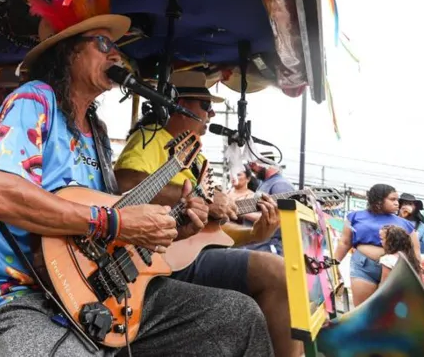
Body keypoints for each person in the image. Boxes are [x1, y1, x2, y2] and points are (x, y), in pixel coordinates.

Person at [0, 0, 273, 357]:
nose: (116, 56)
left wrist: (177, 226)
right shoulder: (34, 100)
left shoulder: (96, 130)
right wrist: (114, 223)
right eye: (102, 44)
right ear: (67, 53)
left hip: (99, 293)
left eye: (115, 48)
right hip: (20, 297)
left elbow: (115, 227)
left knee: (237, 316)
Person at [115, 70, 296, 357]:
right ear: (180, 104)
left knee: (279, 270)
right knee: (274, 272)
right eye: (205, 105)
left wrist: (252, 234)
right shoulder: (149, 139)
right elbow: (124, 183)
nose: (211, 113)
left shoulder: (198, 157)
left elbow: (207, 233)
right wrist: (202, 198)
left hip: (188, 255)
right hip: (156, 258)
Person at [333, 183, 420, 306]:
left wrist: (416, 277)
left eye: (397, 200)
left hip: (394, 271)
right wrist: (333, 265)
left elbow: (415, 252)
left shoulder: (406, 224)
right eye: (392, 199)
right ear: (378, 200)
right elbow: (345, 242)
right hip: (363, 268)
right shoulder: (354, 217)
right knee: (364, 310)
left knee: (385, 313)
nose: (397, 203)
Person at [245, 153, 295, 256]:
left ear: (265, 163)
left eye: (253, 163)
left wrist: (243, 213)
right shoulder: (265, 183)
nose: (251, 167)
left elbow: (281, 218)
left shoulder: (280, 185)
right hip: (257, 247)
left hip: (269, 248)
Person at [398, 192, 424, 257]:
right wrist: (401, 216)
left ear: (415, 207)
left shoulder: (421, 226)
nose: (407, 206)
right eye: (404, 204)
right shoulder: (392, 219)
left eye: (410, 204)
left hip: (410, 259)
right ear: (400, 206)